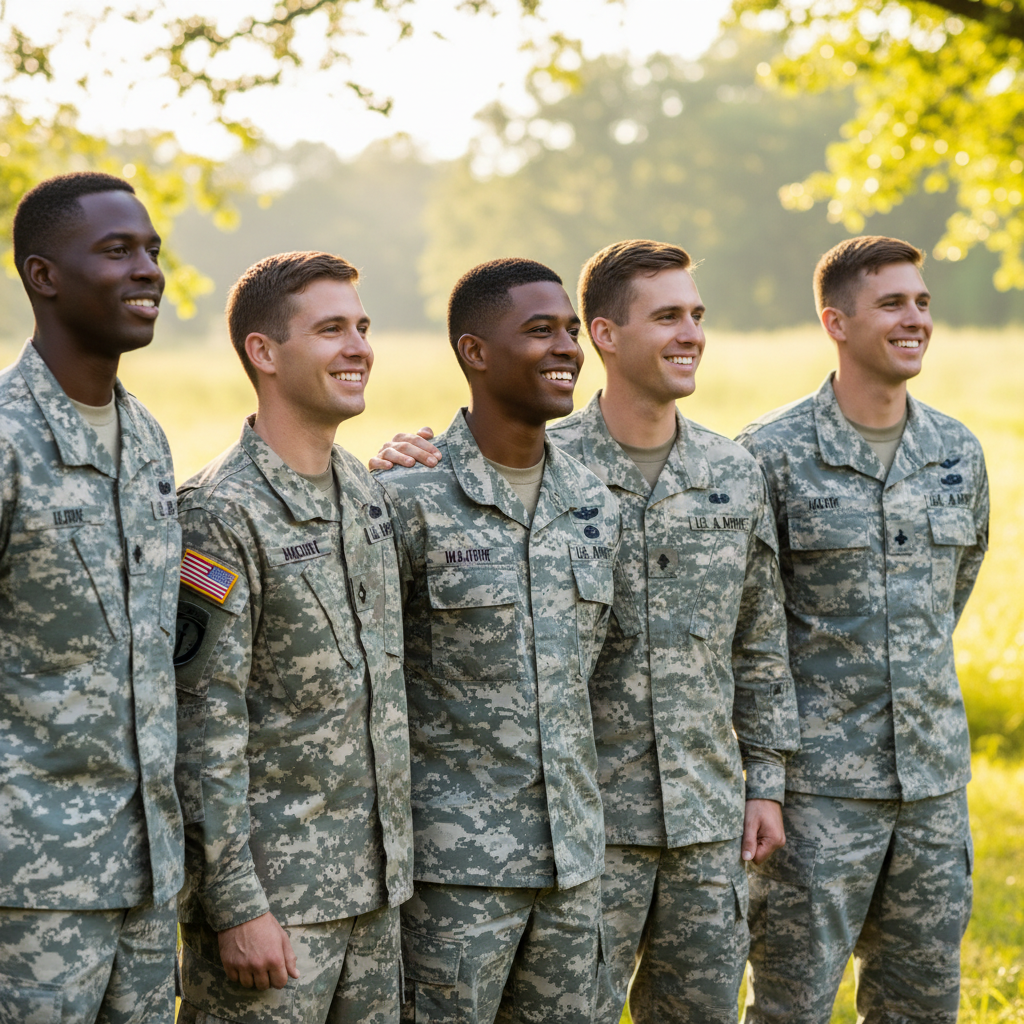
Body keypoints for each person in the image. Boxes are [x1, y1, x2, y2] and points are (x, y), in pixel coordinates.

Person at [374, 239, 800, 1022]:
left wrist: (764, 778)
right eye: (668, 315)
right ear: (609, 336)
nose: (691, 333)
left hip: (707, 816)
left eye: (697, 315)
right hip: (582, 831)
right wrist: (393, 467)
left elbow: (758, 633)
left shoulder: (733, 472)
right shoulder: (548, 461)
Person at [737, 235, 989, 1023]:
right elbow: (750, 629)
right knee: (791, 1006)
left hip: (932, 787)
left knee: (923, 1002)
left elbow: (952, 593)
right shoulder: (768, 457)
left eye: (921, 302)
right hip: (816, 793)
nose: (915, 318)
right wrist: (765, 783)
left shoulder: (956, 452)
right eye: (892, 304)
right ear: (835, 323)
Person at [373, 257, 621, 1024]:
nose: (567, 348)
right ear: (475, 351)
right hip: (453, 878)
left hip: (573, 871)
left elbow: (594, 665)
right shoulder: (403, 498)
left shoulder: (594, 502)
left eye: (571, 331)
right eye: (539, 331)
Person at [173, 251, 413, 1024]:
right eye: (332, 329)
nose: (359, 347)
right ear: (264, 352)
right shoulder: (219, 515)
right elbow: (202, 725)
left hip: (375, 899)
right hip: (276, 914)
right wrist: (236, 905)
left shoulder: (368, 492)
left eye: (364, 327)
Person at [0, 172, 183, 1022]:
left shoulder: (146, 440)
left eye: (151, 251)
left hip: (147, 884)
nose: (147, 269)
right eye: (117, 251)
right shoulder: (5, 441)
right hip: (28, 892)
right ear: (44, 275)